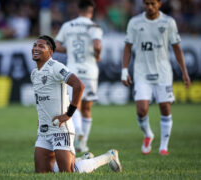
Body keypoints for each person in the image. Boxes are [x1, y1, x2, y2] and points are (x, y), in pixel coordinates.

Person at [31, 35, 122, 173]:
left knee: (68, 173)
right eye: (35, 45)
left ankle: (108, 156)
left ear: (50, 52)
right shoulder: (34, 73)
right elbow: (42, 98)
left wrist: (68, 114)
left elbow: (79, 85)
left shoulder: (56, 67)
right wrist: (41, 118)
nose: (36, 48)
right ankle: (82, 159)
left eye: (41, 46)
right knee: (42, 172)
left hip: (60, 128)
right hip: (44, 130)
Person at [121, 0, 191, 156]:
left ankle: (163, 146)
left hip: (163, 73)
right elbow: (127, 47)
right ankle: (148, 135)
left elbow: (177, 48)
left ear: (159, 3)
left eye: (152, 3)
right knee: (141, 110)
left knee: (165, 108)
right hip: (141, 72)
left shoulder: (168, 22)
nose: (149, 6)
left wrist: (184, 72)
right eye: (146, 3)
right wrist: (124, 71)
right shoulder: (135, 22)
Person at [55, 0, 102, 153]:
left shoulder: (68, 26)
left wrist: (69, 50)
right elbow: (97, 46)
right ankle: (84, 143)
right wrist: (98, 55)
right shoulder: (94, 27)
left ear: (78, 9)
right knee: (87, 108)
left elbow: (56, 45)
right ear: (91, 11)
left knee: (74, 105)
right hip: (90, 72)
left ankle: (79, 131)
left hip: (73, 71)